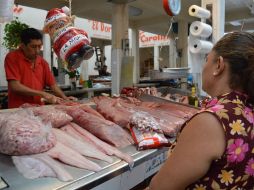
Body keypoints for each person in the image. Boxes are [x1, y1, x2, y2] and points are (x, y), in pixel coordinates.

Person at [148, 31, 254, 189]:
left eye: (206, 60)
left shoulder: (212, 121)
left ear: (219, 65)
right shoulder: (247, 109)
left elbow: (160, 187)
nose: (203, 67)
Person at [4, 27, 76, 108]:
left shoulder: (43, 62)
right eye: (33, 47)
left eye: (39, 46)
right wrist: (42, 94)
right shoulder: (12, 57)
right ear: (23, 46)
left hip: (39, 108)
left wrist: (65, 98)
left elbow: (53, 85)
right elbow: (15, 86)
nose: (37, 51)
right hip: (18, 109)